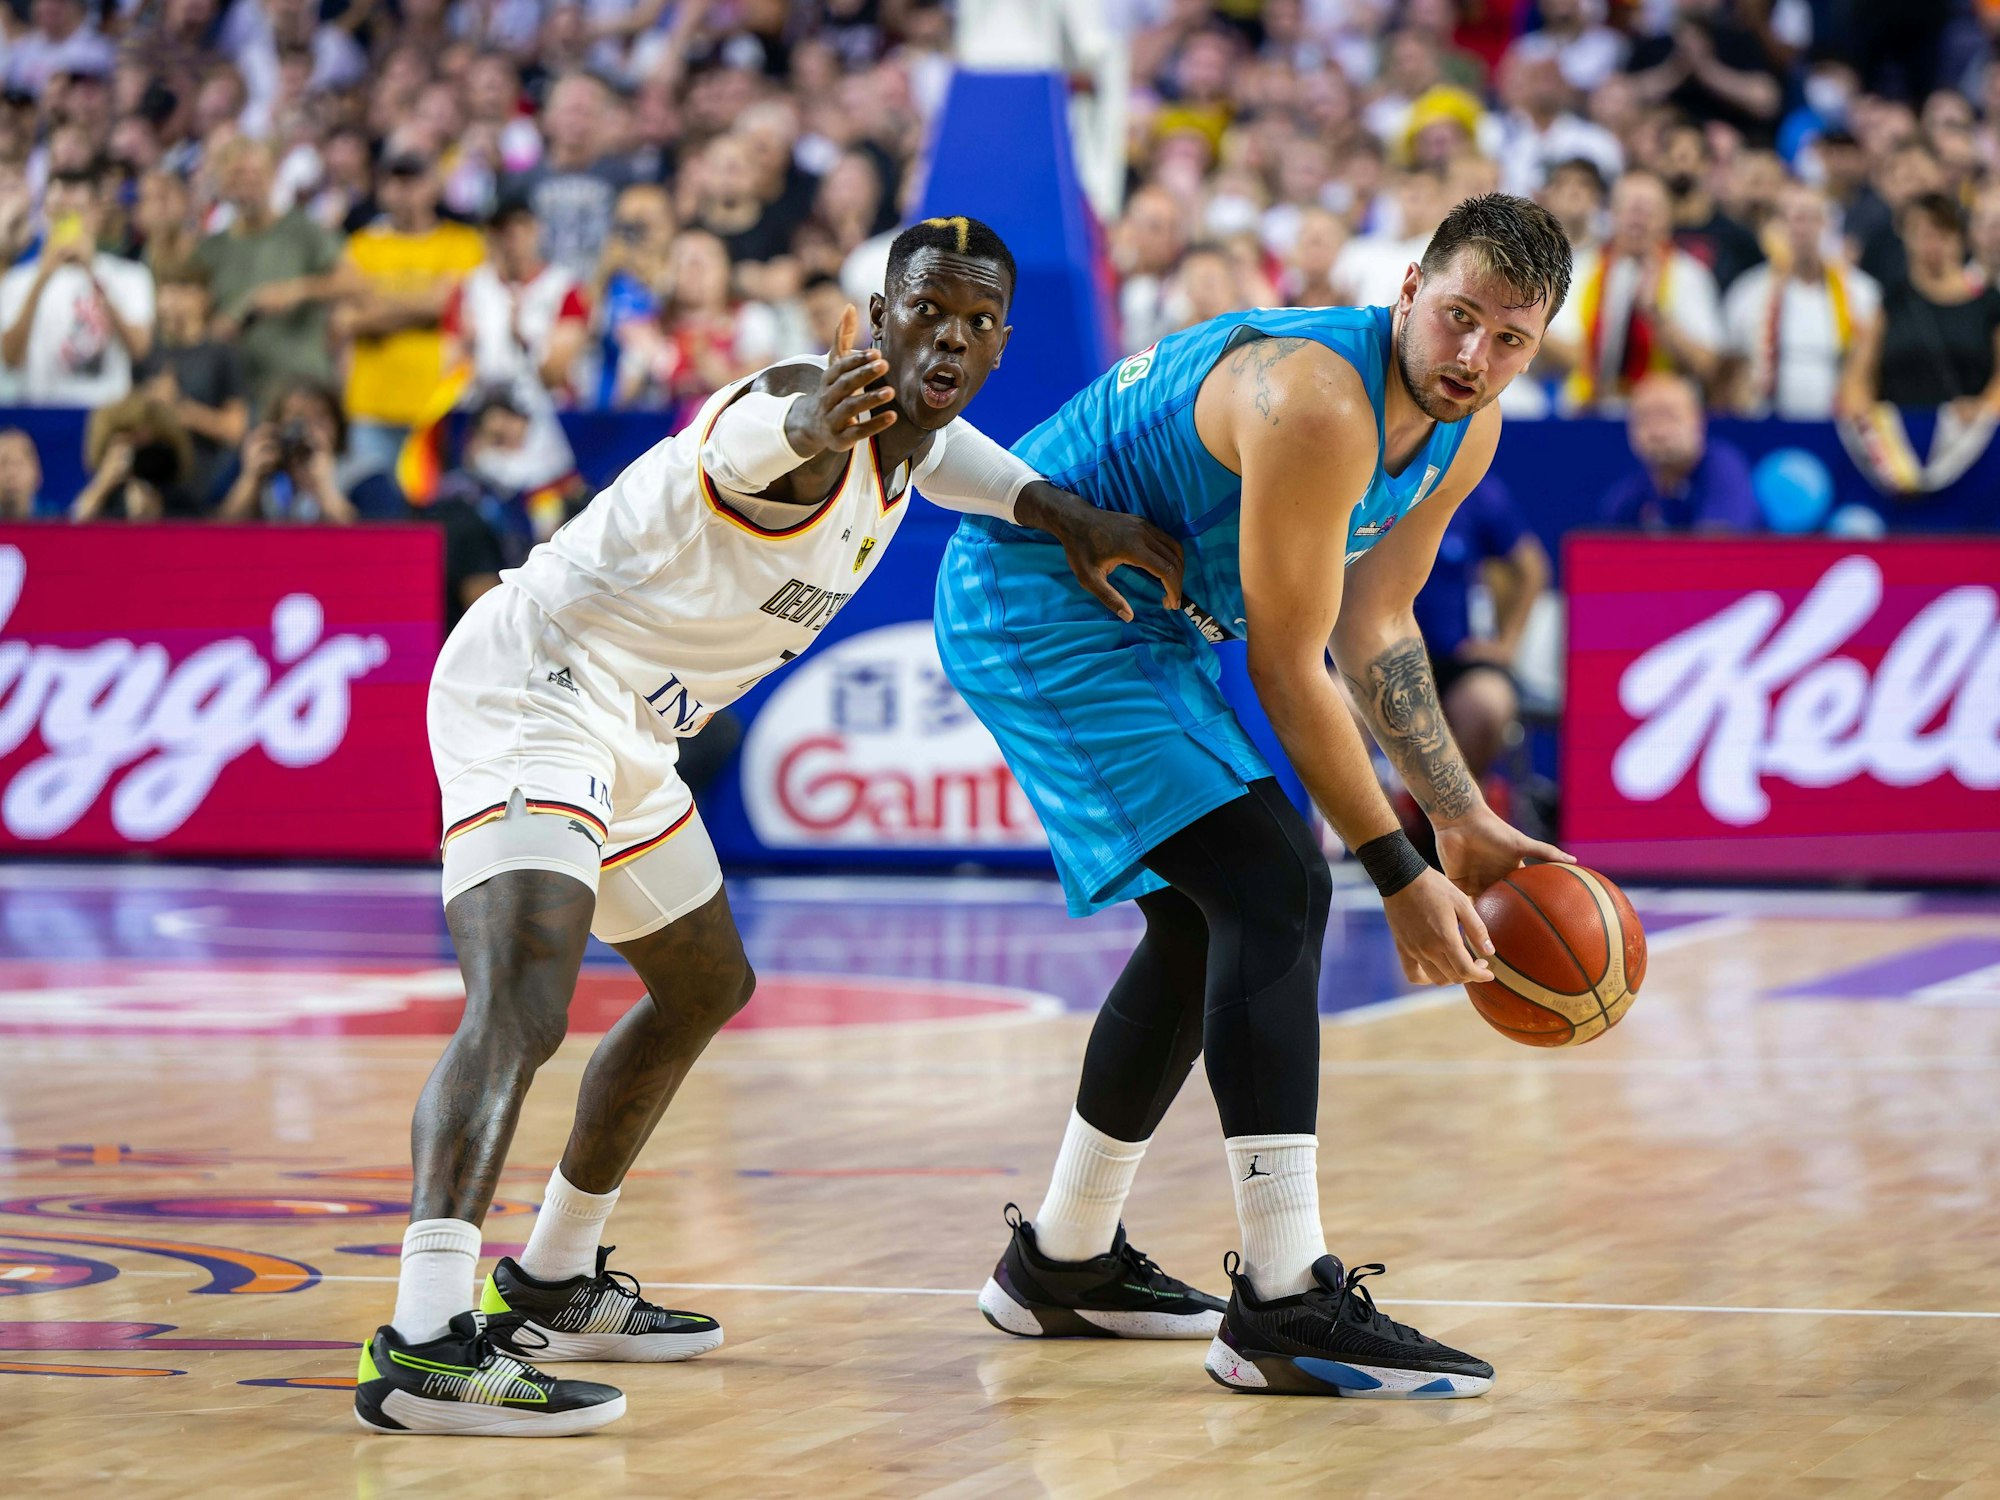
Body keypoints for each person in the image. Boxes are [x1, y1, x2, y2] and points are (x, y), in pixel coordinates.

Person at [355, 216, 1187, 1437]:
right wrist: (813, 420)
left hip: (631, 729)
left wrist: (1068, 516)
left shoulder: (915, 439)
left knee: (702, 983)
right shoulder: (806, 410)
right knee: (524, 1003)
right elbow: (776, 436)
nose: (944, 337)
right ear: (872, 317)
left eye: (971, 322)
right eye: (921, 312)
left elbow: (954, 460)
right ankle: (424, 1341)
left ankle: (552, 1278)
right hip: (537, 684)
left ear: (1000, 343)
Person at [934, 195, 1576, 1399]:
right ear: (1404, 291)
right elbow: (1290, 665)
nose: (1473, 358)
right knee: (1276, 884)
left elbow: (1375, 629)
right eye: (1455, 319)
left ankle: (1061, 1261)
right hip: (1039, 600)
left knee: (1208, 917)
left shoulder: (1463, 425)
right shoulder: (1319, 398)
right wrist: (1396, 871)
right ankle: (1283, 1300)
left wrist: (1458, 816)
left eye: (1509, 340)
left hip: (1154, 623)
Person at [1409, 474, 1550, 831]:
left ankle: (1455, 813)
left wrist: (1506, 645)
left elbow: (1531, 568)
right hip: (1363, 658)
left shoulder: (1472, 486)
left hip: (1451, 659)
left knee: (1487, 703)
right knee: (1340, 703)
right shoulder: (1359, 475)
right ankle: (1384, 828)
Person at [336, 152, 487, 480]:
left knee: (436, 512)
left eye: (413, 180)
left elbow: (447, 303)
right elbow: (346, 318)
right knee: (375, 513)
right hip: (371, 404)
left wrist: (375, 303)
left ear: (433, 186)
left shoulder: (463, 242)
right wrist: (421, 304)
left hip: (438, 404)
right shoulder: (362, 245)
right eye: (394, 181)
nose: (403, 191)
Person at [1543, 169, 1723, 407]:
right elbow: (1571, 353)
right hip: (1590, 410)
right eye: (1629, 209)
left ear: (1667, 217)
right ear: (1611, 215)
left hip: (1660, 414)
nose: (1638, 219)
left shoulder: (1690, 276)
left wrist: (1658, 317)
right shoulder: (1581, 270)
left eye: (1648, 210)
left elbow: (1710, 367)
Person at [196, 137, 350, 407]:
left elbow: (355, 282)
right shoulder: (210, 249)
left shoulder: (303, 230)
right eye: (236, 173)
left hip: (302, 389)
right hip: (237, 394)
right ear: (220, 182)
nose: (247, 181)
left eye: (255, 172)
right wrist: (216, 330)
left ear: (272, 176)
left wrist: (299, 290)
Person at [0, 163, 154, 407]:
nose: (67, 219)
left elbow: (140, 349)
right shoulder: (17, 280)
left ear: (96, 213)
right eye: (58, 211)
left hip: (107, 414)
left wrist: (93, 273)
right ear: (45, 214)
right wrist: (42, 278)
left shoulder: (130, 275)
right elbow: (9, 358)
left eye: (77, 211)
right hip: (42, 411)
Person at [1723, 183, 1881, 419]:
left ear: (1828, 225)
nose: (1801, 229)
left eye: (1811, 218)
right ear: (1773, 227)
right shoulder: (1747, 293)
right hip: (1767, 423)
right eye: (1791, 219)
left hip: (1839, 424)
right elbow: (1733, 373)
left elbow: (1868, 372)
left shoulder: (1862, 292)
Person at [1850, 193, 2000, 414]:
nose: (1930, 244)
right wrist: (1865, 413)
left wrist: (1984, 408)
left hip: (1972, 433)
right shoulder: (1891, 302)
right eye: (1920, 234)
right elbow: (1857, 377)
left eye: (1940, 233)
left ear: (1960, 238)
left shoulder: (1989, 304)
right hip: (1898, 436)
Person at [134, 259, 250, 505]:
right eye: (167, 288)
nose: (173, 298)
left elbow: (235, 428)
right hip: (156, 482)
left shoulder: (221, 354)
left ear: (205, 297)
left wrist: (180, 409)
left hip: (206, 483)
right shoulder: (150, 354)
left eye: (184, 288)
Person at [217, 377, 403, 523]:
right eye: (297, 418)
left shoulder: (364, 474)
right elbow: (210, 534)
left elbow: (379, 545)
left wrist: (325, 490)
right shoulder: (254, 462)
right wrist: (250, 480)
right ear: (276, 424)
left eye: (321, 418)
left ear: (338, 424)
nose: (309, 429)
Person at [1599, 371, 1759, 531]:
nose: (1657, 430)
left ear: (1698, 421)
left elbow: (1717, 549)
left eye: (1669, 416)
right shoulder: (1631, 495)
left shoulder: (1724, 470)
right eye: (1645, 418)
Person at [0, 428, 49, 519]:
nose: (12, 473)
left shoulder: (56, 520)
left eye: (19, 463)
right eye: (3, 463)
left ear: (37, 474)